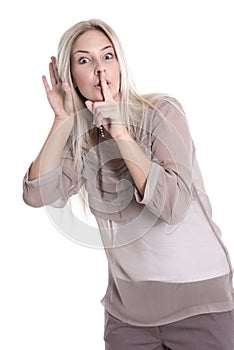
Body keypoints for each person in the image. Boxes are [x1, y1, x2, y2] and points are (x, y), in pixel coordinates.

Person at [22, 19, 234, 349]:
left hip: (201, 306)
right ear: (70, 76)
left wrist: (121, 133)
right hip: (128, 316)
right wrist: (62, 121)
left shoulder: (162, 112)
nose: (99, 70)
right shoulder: (80, 138)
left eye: (107, 56)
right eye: (84, 60)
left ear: (120, 63)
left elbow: (173, 206)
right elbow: (37, 194)